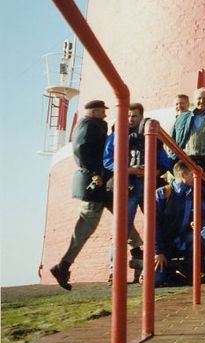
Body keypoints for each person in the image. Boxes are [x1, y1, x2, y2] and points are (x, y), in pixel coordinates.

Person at [103, 103, 171, 284]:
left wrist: (153, 172)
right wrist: (131, 170)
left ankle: (154, 266)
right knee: (121, 228)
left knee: (154, 224)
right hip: (128, 187)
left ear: (141, 116)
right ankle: (114, 270)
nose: (131, 119)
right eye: (128, 116)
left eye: (134, 116)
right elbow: (108, 161)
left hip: (148, 186)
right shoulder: (117, 136)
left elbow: (164, 162)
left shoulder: (153, 136)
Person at [50, 100, 113, 290]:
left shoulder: (89, 125)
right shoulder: (89, 125)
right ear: (94, 111)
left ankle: (137, 251)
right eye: (102, 111)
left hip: (98, 183)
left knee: (122, 214)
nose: (105, 114)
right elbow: (82, 151)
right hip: (94, 183)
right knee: (86, 225)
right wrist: (95, 173)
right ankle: (63, 265)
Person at [154, 161, 196, 287]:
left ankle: (185, 271)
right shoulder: (162, 194)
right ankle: (170, 274)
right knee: (155, 280)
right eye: (192, 175)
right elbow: (153, 225)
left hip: (182, 239)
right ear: (183, 174)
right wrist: (158, 251)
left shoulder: (193, 192)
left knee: (197, 238)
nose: (195, 178)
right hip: (164, 243)